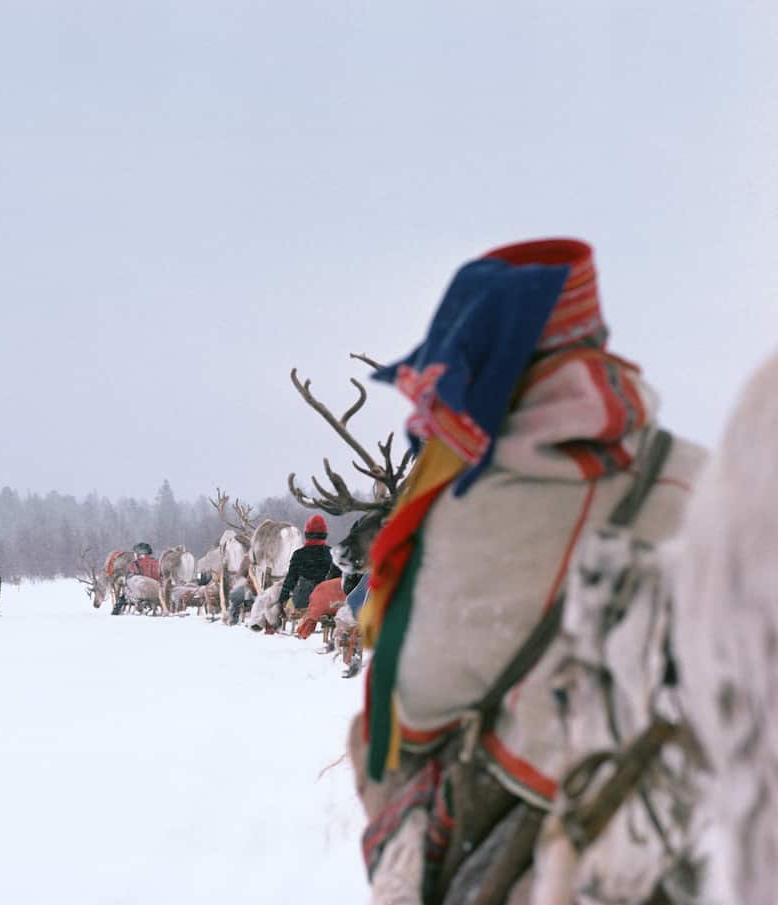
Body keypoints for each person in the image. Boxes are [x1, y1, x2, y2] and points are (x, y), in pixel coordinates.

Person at [354, 238, 705, 902]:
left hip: (551, 839)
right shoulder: (707, 479)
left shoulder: (476, 507)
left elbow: (414, 710)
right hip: (704, 825)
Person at [276, 514, 340, 622]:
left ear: (307, 534)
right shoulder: (333, 554)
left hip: (303, 602)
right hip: (328, 603)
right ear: (325, 534)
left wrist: (282, 600)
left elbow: (290, 580)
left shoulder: (299, 554)